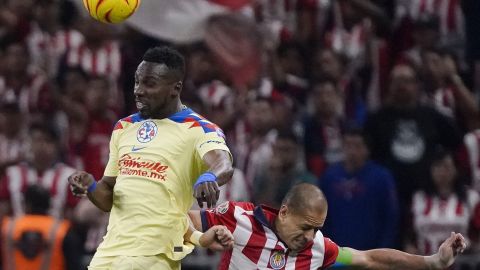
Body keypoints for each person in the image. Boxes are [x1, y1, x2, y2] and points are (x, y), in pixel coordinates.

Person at [67, 46, 234, 270]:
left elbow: (222, 162)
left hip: (154, 257)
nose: (138, 90)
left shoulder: (198, 128)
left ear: (176, 88)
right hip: (108, 255)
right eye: (137, 81)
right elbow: (108, 196)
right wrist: (91, 186)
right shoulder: (124, 127)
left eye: (150, 83)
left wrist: (208, 176)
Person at [188, 183, 467, 270]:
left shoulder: (318, 248)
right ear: (284, 212)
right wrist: (203, 238)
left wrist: (433, 262)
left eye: (317, 228)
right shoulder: (240, 218)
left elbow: (369, 258)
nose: (311, 236)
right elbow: (185, 219)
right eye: (306, 226)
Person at [320, 127, 399, 250]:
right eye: (348, 145)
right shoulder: (330, 177)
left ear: (367, 150)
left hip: (371, 253)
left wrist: (383, 250)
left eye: (357, 146)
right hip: (336, 254)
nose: (352, 151)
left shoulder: (381, 177)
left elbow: (390, 217)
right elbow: (323, 217)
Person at [405, 148, 480, 255]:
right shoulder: (419, 199)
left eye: (446, 167)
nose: (442, 172)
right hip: (425, 262)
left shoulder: (471, 198)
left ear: (456, 170)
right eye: (437, 167)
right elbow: (409, 234)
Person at [1, 185, 83, 270]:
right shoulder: (62, 230)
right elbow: (73, 264)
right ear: (49, 205)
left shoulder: (8, 227)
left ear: (27, 204)